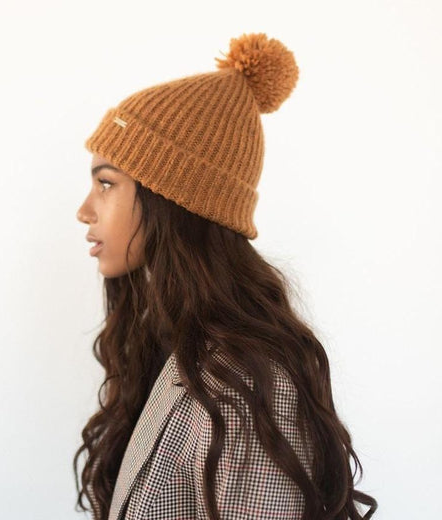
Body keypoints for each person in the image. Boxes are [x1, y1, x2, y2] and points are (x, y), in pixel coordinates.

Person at [73, 32, 377, 520]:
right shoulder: (172, 346)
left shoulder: (244, 384)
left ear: (174, 199)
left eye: (106, 183)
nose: (84, 211)